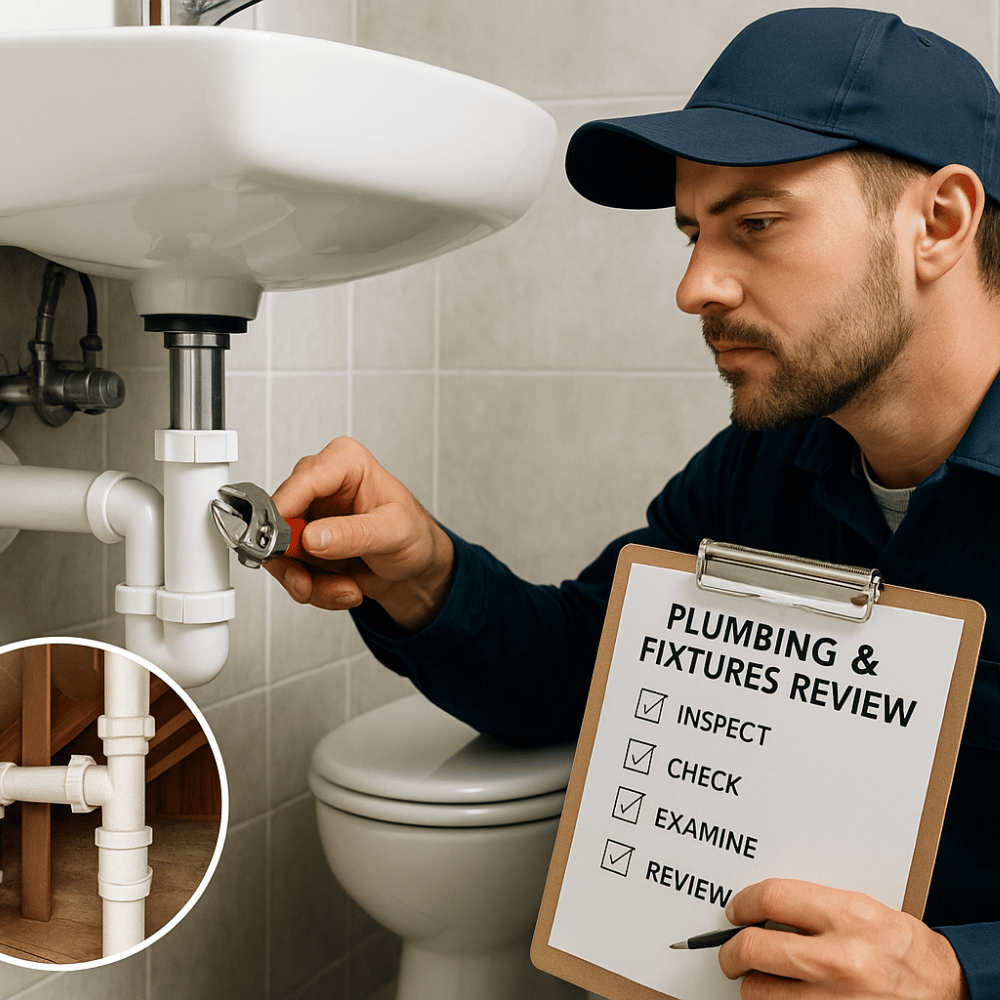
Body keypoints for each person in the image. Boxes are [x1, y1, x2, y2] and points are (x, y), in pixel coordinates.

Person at [265, 8, 1000, 999]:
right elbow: (578, 672)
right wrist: (424, 571)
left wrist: (959, 971)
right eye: (693, 233)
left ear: (939, 222)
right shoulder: (760, 469)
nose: (694, 285)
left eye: (756, 223)